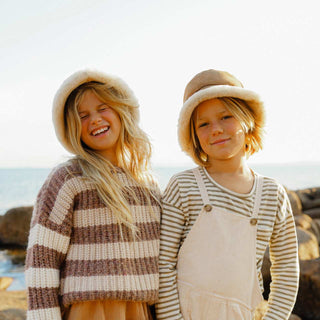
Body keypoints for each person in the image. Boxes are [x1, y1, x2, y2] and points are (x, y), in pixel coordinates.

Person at [155, 69, 299, 320]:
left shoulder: (272, 194)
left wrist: (274, 318)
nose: (216, 129)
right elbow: (163, 265)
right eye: (203, 123)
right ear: (194, 136)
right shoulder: (183, 186)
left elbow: (286, 268)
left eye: (225, 117)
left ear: (247, 120)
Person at [25, 69, 161, 320]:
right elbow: (42, 259)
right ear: (72, 127)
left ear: (123, 111)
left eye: (103, 108)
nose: (95, 119)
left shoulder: (149, 185)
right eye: (82, 116)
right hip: (87, 310)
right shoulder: (68, 179)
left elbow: (162, 261)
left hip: (140, 310)